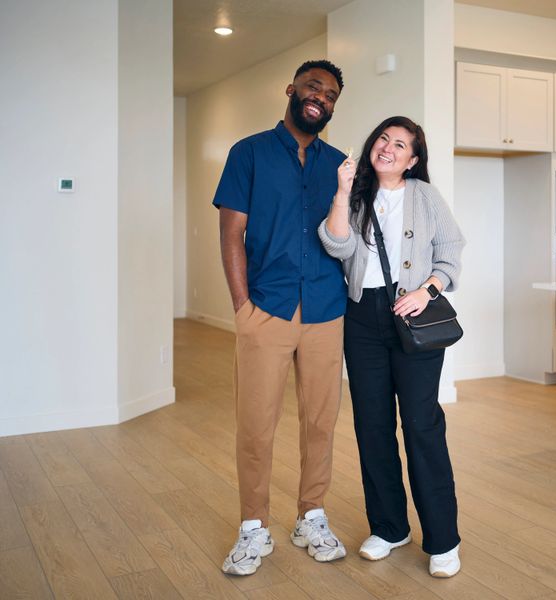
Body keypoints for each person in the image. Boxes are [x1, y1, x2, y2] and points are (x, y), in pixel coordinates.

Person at [213, 59, 349, 576]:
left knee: (320, 421)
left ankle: (310, 515)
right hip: (265, 309)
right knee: (257, 424)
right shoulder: (247, 153)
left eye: (331, 94)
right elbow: (232, 235)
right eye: (314, 87)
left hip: (325, 309)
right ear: (291, 90)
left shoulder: (338, 163)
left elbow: (347, 238)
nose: (321, 98)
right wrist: (242, 308)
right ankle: (253, 526)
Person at [318, 116, 466, 577]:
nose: (388, 148)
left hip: (414, 314)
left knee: (422, 424)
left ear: (413, 159)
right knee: (372, 425)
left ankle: (442, 539)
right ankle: (389, 527)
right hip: (363, 318)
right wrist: (342, 192)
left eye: (400, 144)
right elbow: (337, 245)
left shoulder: (424, 197)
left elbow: (451, 250)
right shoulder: (357, 195)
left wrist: (428, 290)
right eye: (384, 138)